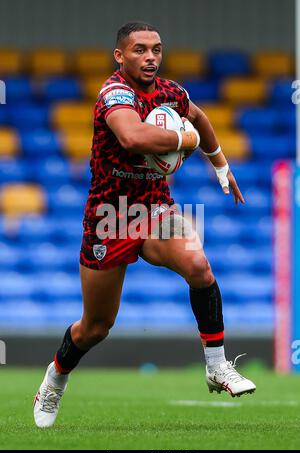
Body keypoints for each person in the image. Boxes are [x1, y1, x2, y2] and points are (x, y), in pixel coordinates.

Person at [33, 21, 256, 428]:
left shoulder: (171, 92)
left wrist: (220, 164)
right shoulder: (114, 94)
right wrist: (185, 142)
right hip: (110, 217)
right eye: (139, 50)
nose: (150, 57)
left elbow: (199, 117)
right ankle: (55, 379)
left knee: (199, 268)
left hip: (155, 209)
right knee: (96, 328)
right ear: (120, 55)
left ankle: (217, 366)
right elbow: (134, 138)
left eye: (156, 49)